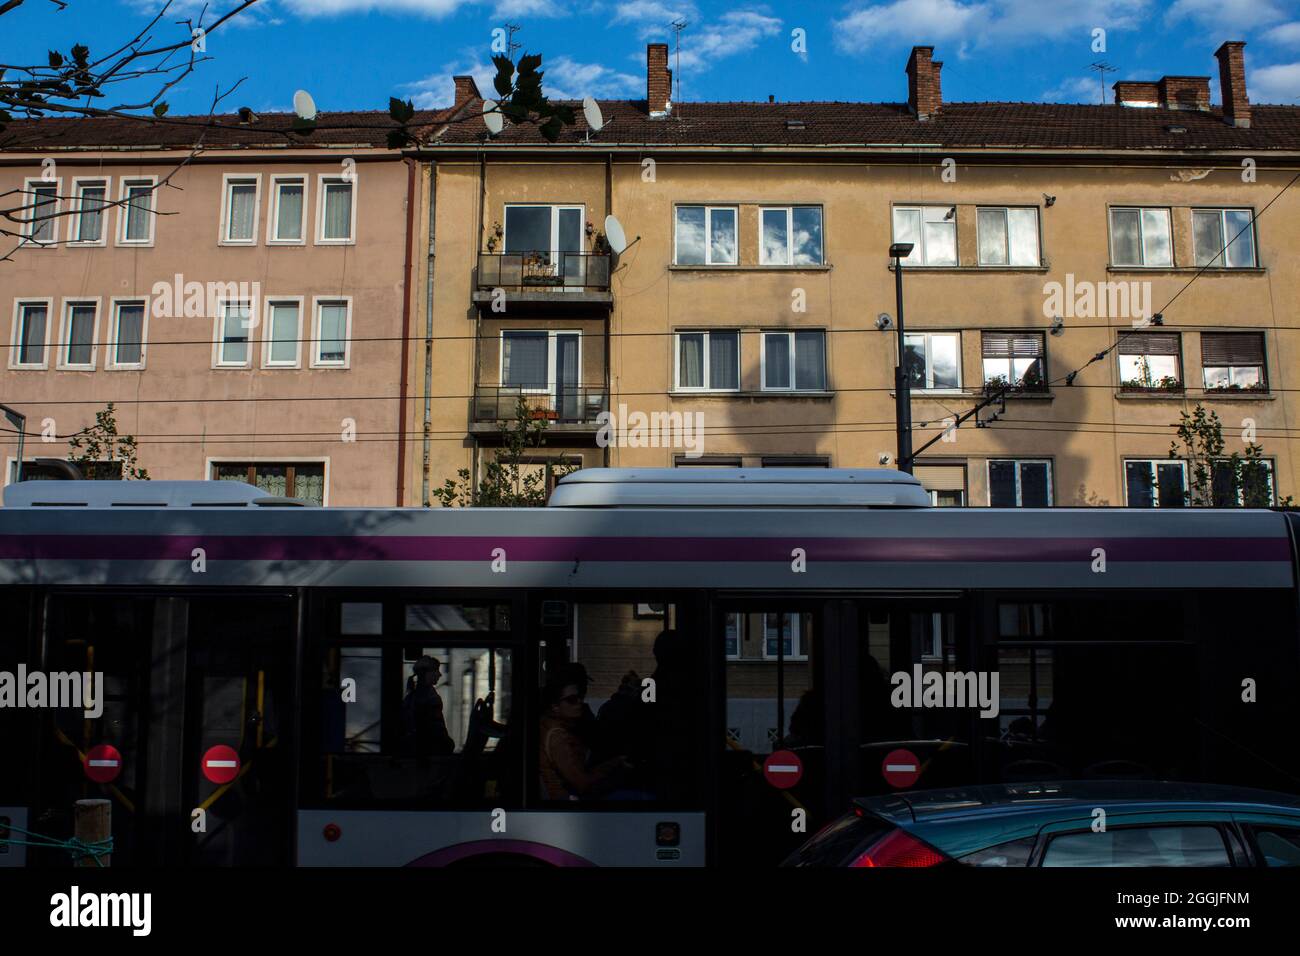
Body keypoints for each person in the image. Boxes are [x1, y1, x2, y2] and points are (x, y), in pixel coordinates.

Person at [538, 679, 628, 800]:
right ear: (555, 707)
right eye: (572, 700)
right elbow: (582, 783)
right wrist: (613, 765)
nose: (579, 702)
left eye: (580, 697)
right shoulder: (557, 736)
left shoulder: (551, 726)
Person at [402, 656, 455, 757]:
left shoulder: (412, 697)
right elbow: (435, 728)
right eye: (436, 670)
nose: (440, 674)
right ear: (426, 673)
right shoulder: (429, 698)